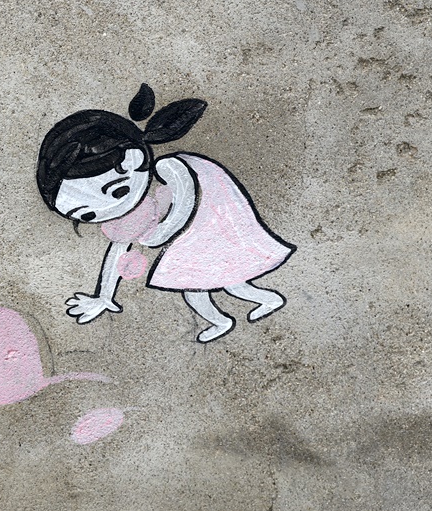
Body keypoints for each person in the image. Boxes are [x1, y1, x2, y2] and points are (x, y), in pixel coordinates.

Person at [36, 84, 294, 343]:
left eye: (117, 190)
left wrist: (164, 231)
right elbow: (117, 253)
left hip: (212, 233)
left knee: (233, 281)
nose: (108, 209)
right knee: (195, 290)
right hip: (189, 250)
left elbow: (190, 196)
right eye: (87, 215)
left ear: (135, 159)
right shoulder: (124, 219)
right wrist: (103, 296)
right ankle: (222, 320)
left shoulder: (169, 168)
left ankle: (268, 300)